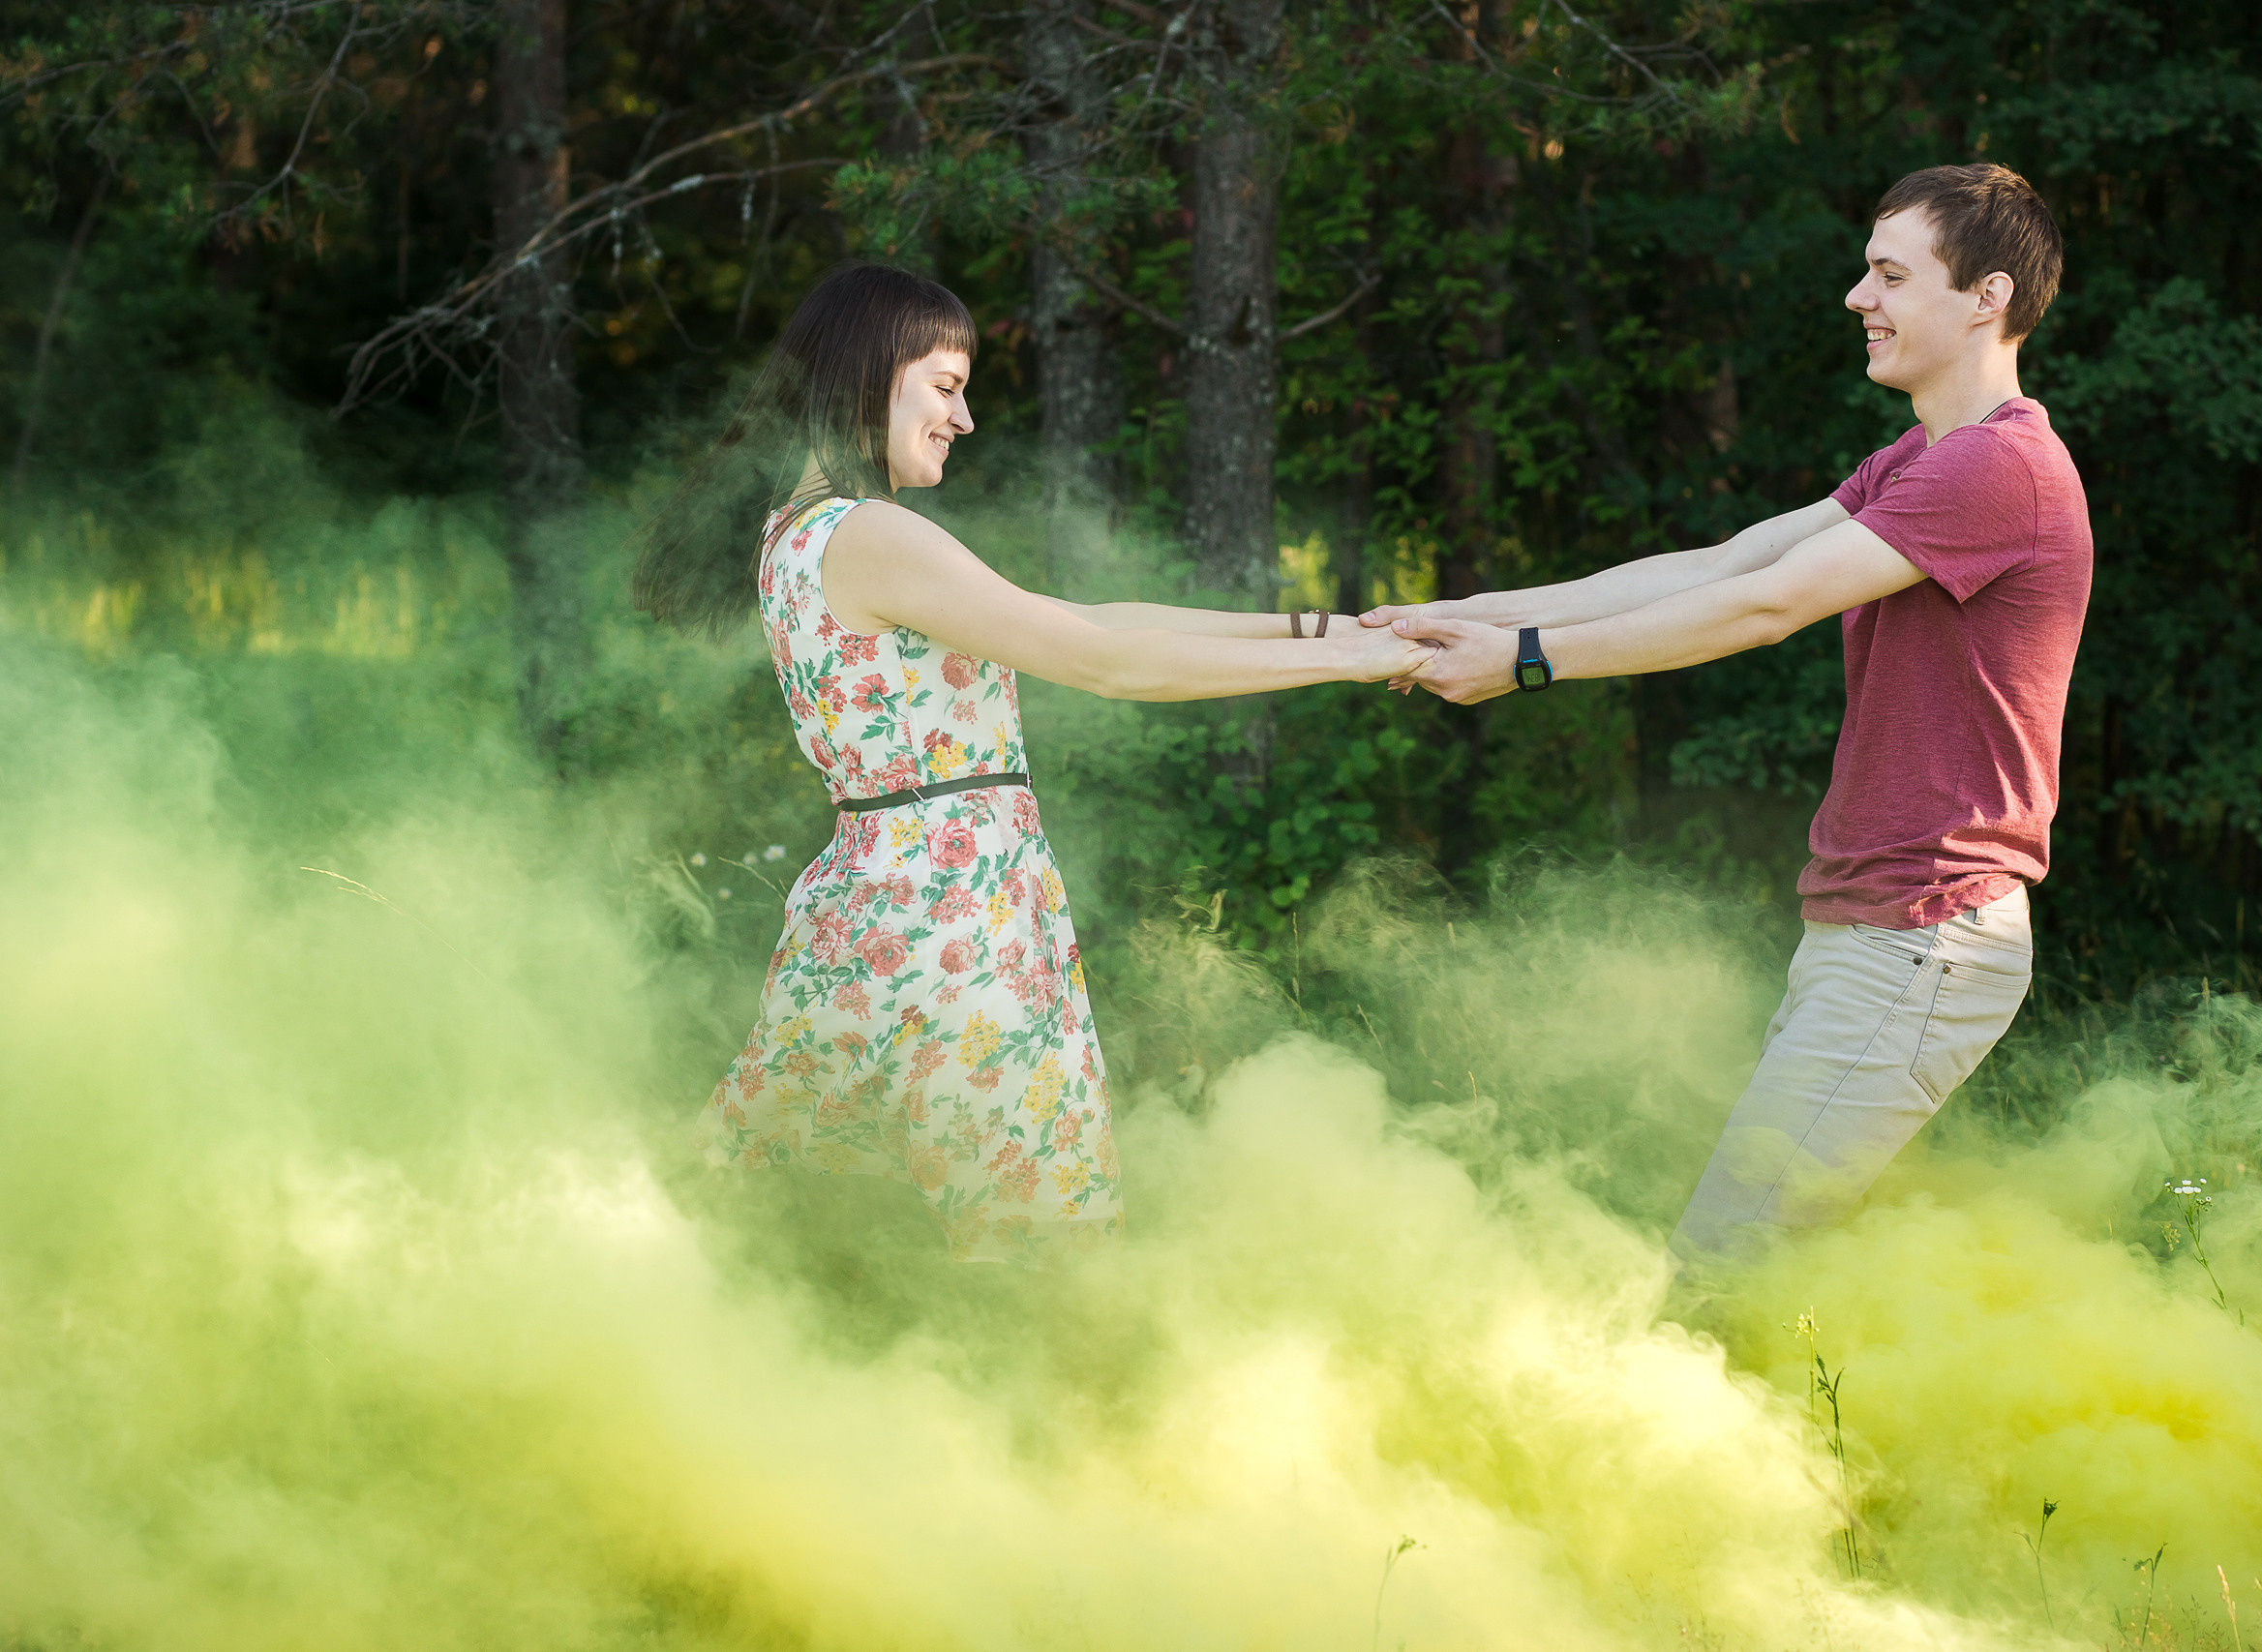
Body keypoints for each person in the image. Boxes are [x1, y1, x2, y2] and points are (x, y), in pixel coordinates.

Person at [634, 263, 1433, 1264]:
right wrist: (1347, 661)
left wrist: (1325, 630)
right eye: (946, 385)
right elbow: (1101, 660)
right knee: (1026, 1244)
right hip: (947, 916)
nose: (963, 419)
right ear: (868, 374)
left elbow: (1088, 621)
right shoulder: (871, 534)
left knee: (803, 1218)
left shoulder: (799, 534)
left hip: (895, 897)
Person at [1372, 164, 2092, 1262]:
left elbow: (1762, 606)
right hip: (1873, 932)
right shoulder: (1921, 458)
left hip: (1923, 937)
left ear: (1986, 298)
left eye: (1891, 274)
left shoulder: (1998, 470)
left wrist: (1520, 663)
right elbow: (1723, 561)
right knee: (1771, 1267)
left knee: (1722, 1271)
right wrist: (1459, 613)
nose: (1859, 297)